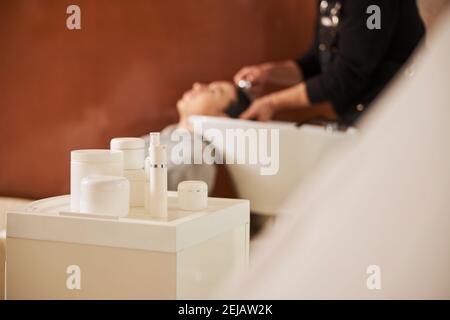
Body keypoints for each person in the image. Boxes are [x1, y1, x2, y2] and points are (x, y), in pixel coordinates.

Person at [234, 0, 425, 125]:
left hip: (391, 119)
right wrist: (268, 72)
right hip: (357, 120)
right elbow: (316, 63)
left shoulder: (373, 6)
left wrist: (272, 103)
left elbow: (347, 75)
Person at [143, 81, 250, 192]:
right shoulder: (160, 137)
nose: (197, 85)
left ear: (222, 118)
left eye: (213, 91)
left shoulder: (195, 157)